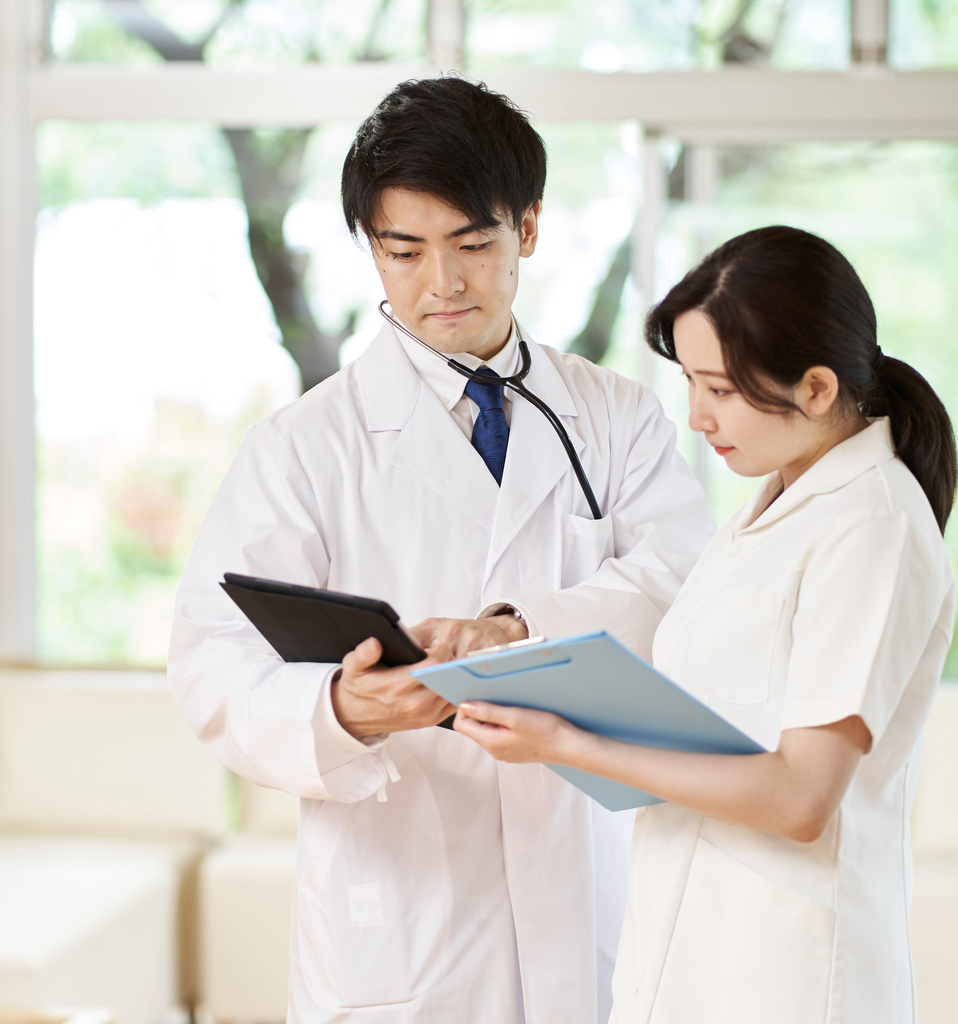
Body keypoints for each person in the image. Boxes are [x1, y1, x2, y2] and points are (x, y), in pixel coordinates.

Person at [167, 77, 715, 1023]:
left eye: (472, 245)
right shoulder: (305, 447)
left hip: (586, 874)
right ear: (371, 251)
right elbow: (211, 664)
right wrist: (342, 707)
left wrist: (520, 629)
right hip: (402, 907)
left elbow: (688, 585)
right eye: (404, 251)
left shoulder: (617, 418)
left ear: (528, 231)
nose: (443, 284)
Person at [456, 225, 958, 1023]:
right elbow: (713, 726)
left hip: (789, 975)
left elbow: (801, 796)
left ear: (818, 388)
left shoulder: (875, 524)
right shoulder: (771, 511)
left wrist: (571, 745)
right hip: (690, 954)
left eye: (720, 390)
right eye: (691, 383)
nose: (697, 416)